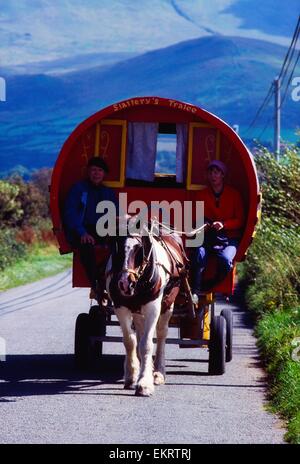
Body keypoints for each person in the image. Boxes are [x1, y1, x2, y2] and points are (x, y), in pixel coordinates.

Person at [63, 157, 118, 300]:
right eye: (93, 170)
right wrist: (82, 232)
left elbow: (116, 214)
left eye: (100, 170)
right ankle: (95, 285)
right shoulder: (79, 189)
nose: (96, 173)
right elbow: (70, 213)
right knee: (86, 245)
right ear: (88, 171)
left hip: (102, 230)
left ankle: (118, 282)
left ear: (104, 174)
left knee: (121, 245)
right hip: (82, 230)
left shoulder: (108, 192)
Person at [190, 160, 244, 303]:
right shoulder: (201, 195)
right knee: (198, 254)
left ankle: (213, 285)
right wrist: (205, 224)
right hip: (208, 237)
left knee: (226, 259)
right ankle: (195, 290)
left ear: (222, 175)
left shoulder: (234, 195)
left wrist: (224, 224)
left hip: (229, 238)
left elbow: (240, 220)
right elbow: (196, 218)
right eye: (211, 172)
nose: (213, 176)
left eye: (216, 172)